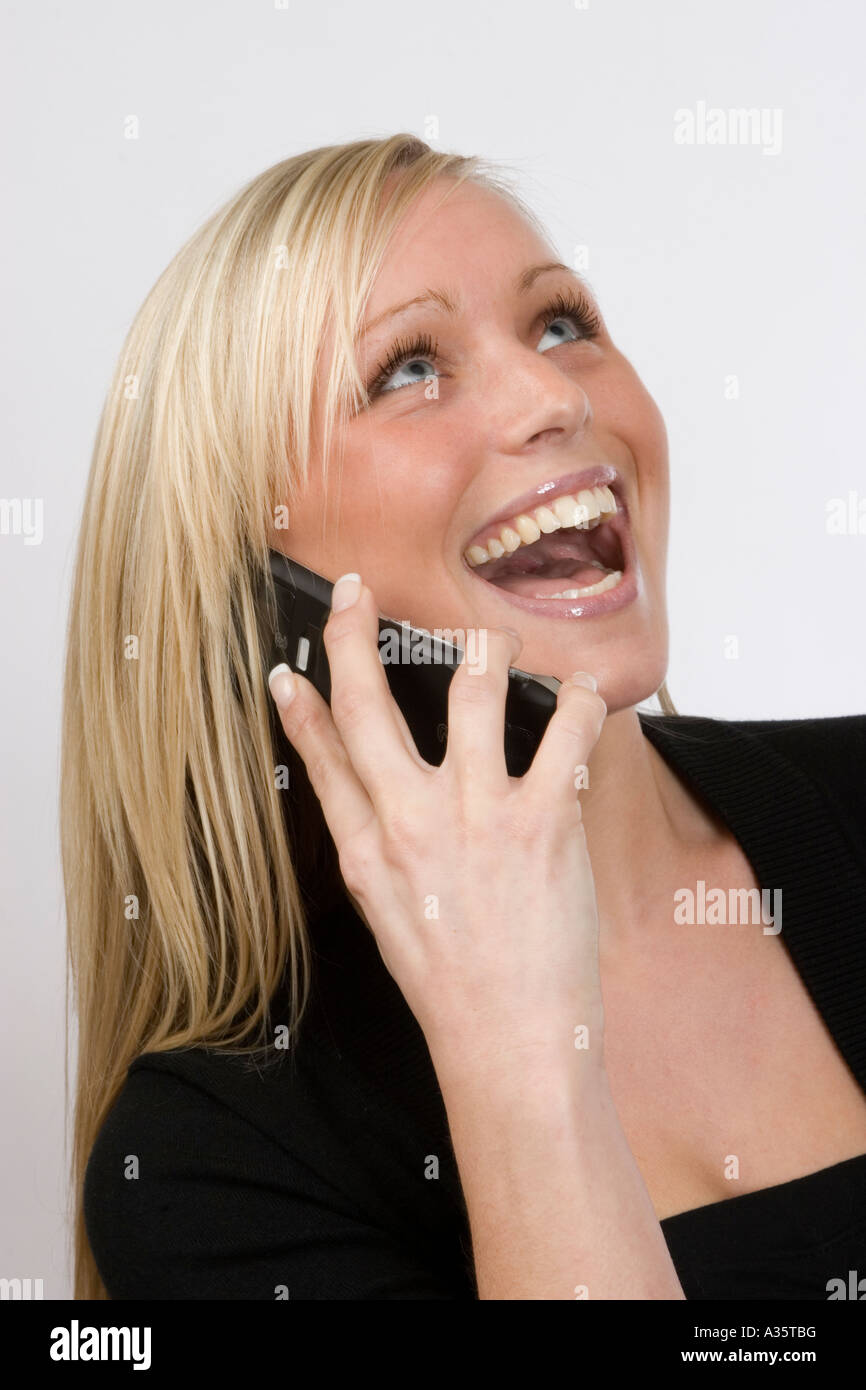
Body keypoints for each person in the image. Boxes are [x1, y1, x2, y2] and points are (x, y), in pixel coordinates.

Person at [64, 133, 866, 1300]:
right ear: (256, 583)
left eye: (560, 324)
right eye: (405, 370)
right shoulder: (216, 1165)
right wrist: (515, 1047)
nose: (552, 398)